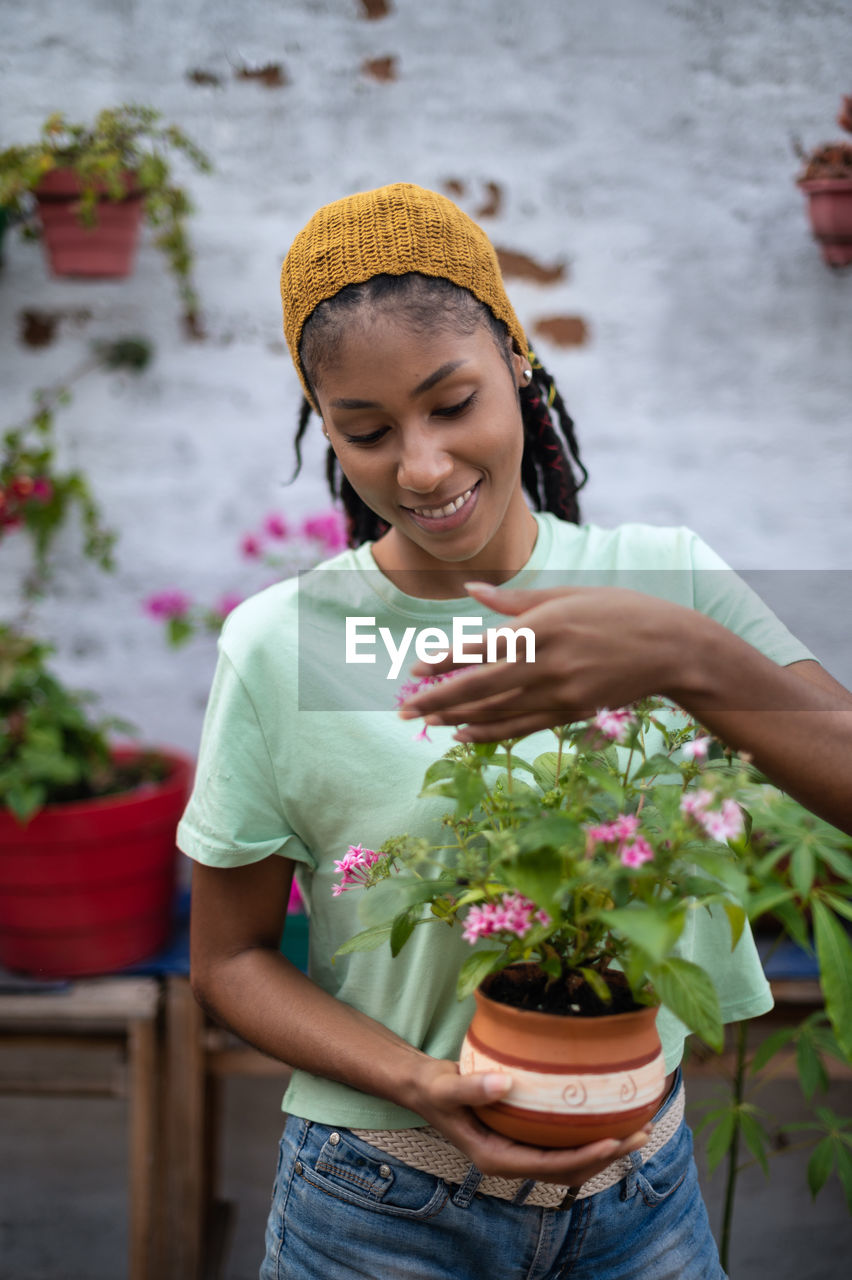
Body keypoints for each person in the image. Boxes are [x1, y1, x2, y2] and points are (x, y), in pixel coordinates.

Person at [180, 183, 852, 1280]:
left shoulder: (664, 578)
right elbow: (232, 955)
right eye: (366, 431)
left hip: (644, 1201)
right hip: (378, 1201)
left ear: (519, 366)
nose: (424, 466)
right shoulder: (278, 642)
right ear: (325, 431)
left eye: (454, 403)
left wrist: (684, 655)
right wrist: (418, 1081)